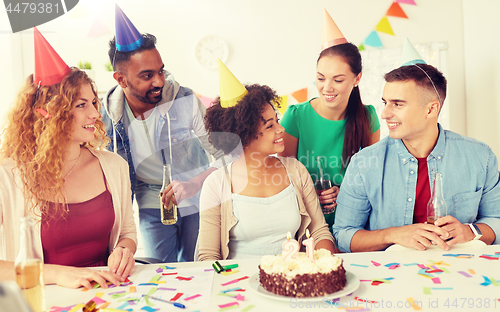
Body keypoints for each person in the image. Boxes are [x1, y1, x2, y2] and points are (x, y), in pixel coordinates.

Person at [0, 28, 137, 289]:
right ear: (47, 113)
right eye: (81, 105)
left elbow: (128, 233)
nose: (95, 115)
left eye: (94, 103)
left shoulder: (114, 166)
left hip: (109, 295)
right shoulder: (7, 177)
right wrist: (59, 275)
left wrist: (124, 250)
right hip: (43, 300)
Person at [332, 54, 500, 252]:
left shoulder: (481, 157)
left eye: (398, 103)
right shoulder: (363, 164)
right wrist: (393, 234)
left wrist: (471, 231)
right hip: (389, 275)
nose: (385, 113)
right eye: (385, 102)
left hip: (460, 271)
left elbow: (495, 220)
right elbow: (343, 235)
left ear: (431, 109)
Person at [101, 6, 224, 262]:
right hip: (149, 199)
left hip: (197, 194)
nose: (159, 81)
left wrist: (194, 184)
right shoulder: (104, 115)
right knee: (159, 270)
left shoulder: (185, 99)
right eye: (147, 75)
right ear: (121, 79)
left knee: (197, 266)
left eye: (160, 71)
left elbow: (226, 155)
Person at [197, 61, 336, 261]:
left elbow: (320, 232)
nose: (281, 130)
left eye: (277, 121)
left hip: (291, 280)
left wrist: (325, 266)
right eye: (270, 126)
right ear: (243, 135)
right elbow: (208, 257)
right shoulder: (216, 184)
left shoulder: (295, 170)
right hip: (237, 285)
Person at [279, 10, 380, 232]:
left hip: (354, 221)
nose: (327, 87)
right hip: (306, 221)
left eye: (338, 79)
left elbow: (372, 178)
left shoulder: (369, 117)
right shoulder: (296, 116)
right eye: (320, 78)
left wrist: (344, 191)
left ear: (357, 79)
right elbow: (284, 178)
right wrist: (310, 193)